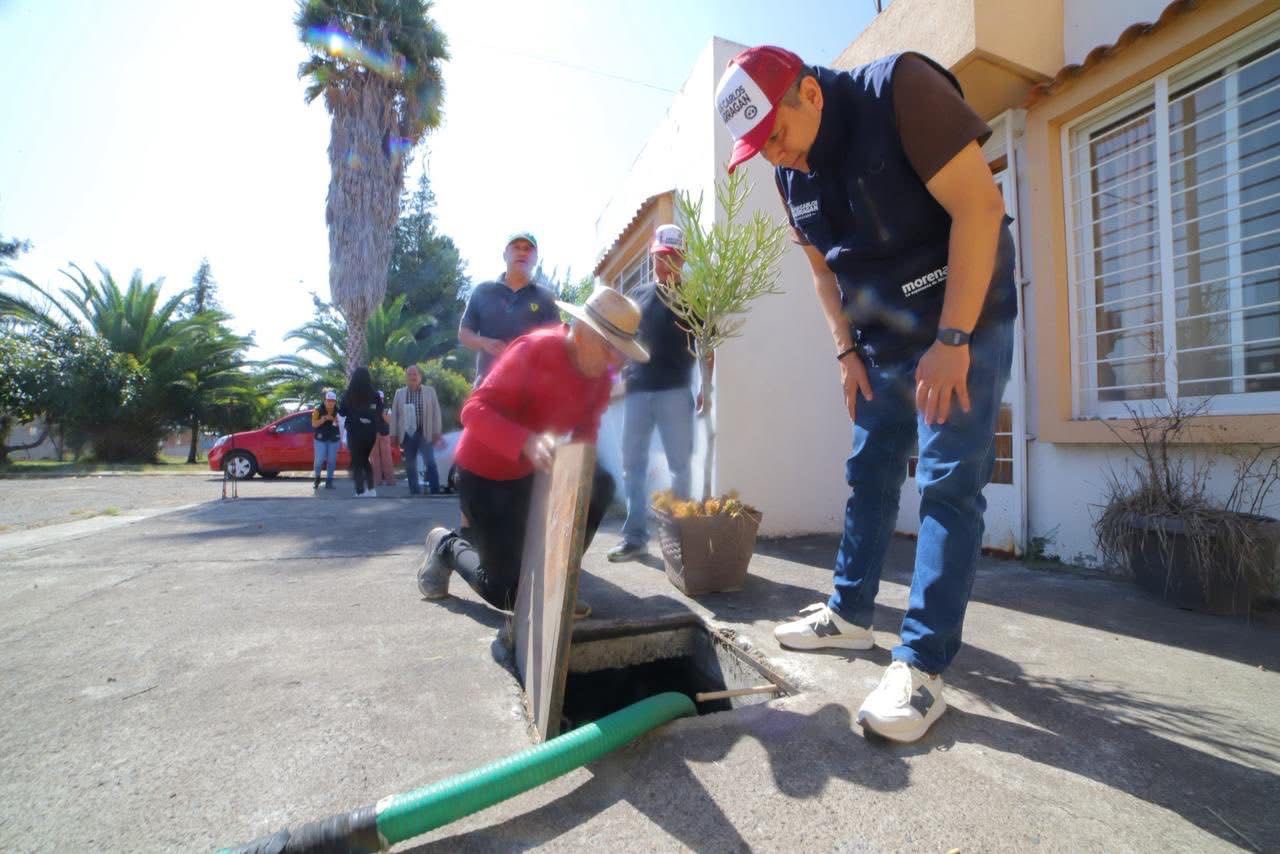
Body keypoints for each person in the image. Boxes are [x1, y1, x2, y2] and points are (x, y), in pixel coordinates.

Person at [715, 46, 1017, 742]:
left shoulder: (902, 91)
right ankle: (850, 617)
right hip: (881, 339)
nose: (775, 159)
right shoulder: (790, 174)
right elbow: (825, 275)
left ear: (811, 96)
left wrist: (952, 341)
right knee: (870, 470)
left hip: (962, 317)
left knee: (947, 483)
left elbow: (980, 207)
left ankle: (922, 668)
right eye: (758, 149)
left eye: (777, 137)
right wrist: (845, 349)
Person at [417, 285, 649, 618]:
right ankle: (447, 545)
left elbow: (586, 437)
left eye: (622, 352)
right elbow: (473, 411)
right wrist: (526, 441)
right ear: (582, 332)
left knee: (598, 482)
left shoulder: (599, 377)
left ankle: (554, 579)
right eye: (610, 347)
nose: (616, 361)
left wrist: (572, 472)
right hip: (483, 476)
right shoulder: (535, 349)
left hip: (529, 476)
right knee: (508, 592)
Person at [607, 224, 709, 563]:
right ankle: (635, 538)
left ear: (681, 257)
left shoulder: (695, 297)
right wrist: (615, 379)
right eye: (657, 256)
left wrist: (706, 388)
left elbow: (707, 347)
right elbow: (623, 341)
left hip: (676, 392)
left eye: (668, 256)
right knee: (631, 466)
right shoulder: (637, 294)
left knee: (680, 467)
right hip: (638, 391)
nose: (661, 263)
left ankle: (679, 540)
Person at [458, 231, 559, 383]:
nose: (522, 252)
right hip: (487, 386)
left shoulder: (546, 298)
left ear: (535, 259)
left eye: (528, 249)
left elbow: (556, 343)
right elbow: (464, 334)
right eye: (516, 247)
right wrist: (485, 343)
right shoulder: (483, 291)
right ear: (505, 254)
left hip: (531, 391)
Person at [390, 364, 444, 495]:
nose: (412, 377)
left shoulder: (430, 391)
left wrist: (437, 432)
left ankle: (435, 491)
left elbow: (436, 412)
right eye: (409, 374)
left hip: (424, 432)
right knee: (410, 464)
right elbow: (395, 416)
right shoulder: (399, 393)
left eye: (415, 374)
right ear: (406, 377)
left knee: (430, 462)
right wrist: (393, 435)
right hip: (408, 435)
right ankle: (414, 492)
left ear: (420, 377)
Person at [338, 367, 387, 498]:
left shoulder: (349, 394)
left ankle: (360, 490)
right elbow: (378, 412)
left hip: (354, 431)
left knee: (358, 460)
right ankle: (371, 489)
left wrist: (356, 416)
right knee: (365, 459)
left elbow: (342, 411)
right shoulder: (375, 394)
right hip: (370, 432)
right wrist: (368, 418)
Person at [310, 390, 341, 491]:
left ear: (335, 402)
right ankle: (317, 478)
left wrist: (333, 419)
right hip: (320, 439)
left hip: (333, 439)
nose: (330, 403)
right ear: (324, 401)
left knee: (332, 461)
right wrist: (323, 419)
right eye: (328, 400)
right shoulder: (317, 411)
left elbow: (341, 424)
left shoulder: (338, 411)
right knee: (319, 460)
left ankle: (329, 481)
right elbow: (314, 424)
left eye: (332, 401)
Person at [370, 390, 397, 488]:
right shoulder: (371, 406)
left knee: (387, 458)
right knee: (374, 458)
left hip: (384, 434)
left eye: (381, 398)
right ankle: (377, 481)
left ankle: (390, 481)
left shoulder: (386, 407)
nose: (379, 400)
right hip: (372, 434)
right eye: (378, 398)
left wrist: (381, 413)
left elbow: (389, 420)